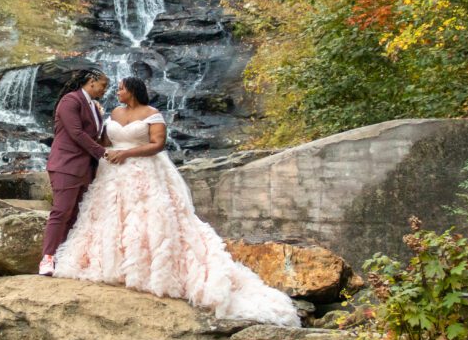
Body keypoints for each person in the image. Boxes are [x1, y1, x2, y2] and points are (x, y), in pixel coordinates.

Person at [53, 77, 301, 326]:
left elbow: (157, 144)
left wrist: (126, 153)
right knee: (111, 216)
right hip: (113, 173)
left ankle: (147, 271)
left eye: (120, 88)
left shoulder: (153, 114)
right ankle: (114, 266)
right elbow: (104, 142)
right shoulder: (113, 112)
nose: (115, 92)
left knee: (148, 217)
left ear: (132, 91)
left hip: (143, 170)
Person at [39, 68, 111, 276]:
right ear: (91, 81)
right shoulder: (70, 100)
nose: (105, 90)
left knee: (75, 215)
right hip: (67, 164)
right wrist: (103, 153)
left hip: (86, 168)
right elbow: (76, 133)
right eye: (103, 85)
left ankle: (63, 256)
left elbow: (95, 134)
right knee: (61, 211)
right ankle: (47, 258)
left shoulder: (94, 107)